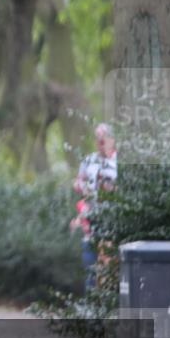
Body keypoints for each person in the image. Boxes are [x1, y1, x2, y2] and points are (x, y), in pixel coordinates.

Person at [71, 123, 118, 291]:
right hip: (91, 221)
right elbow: (78, 181)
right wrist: (80, 186)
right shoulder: (89, 160)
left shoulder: (119, 162)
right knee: (90, 269)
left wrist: (112, 188)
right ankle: (91, 310)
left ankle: (107, 309)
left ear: (112, 140)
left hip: (113, 224)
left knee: (108, 271)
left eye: (104, 138)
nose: (100, 142)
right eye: (97, 138)